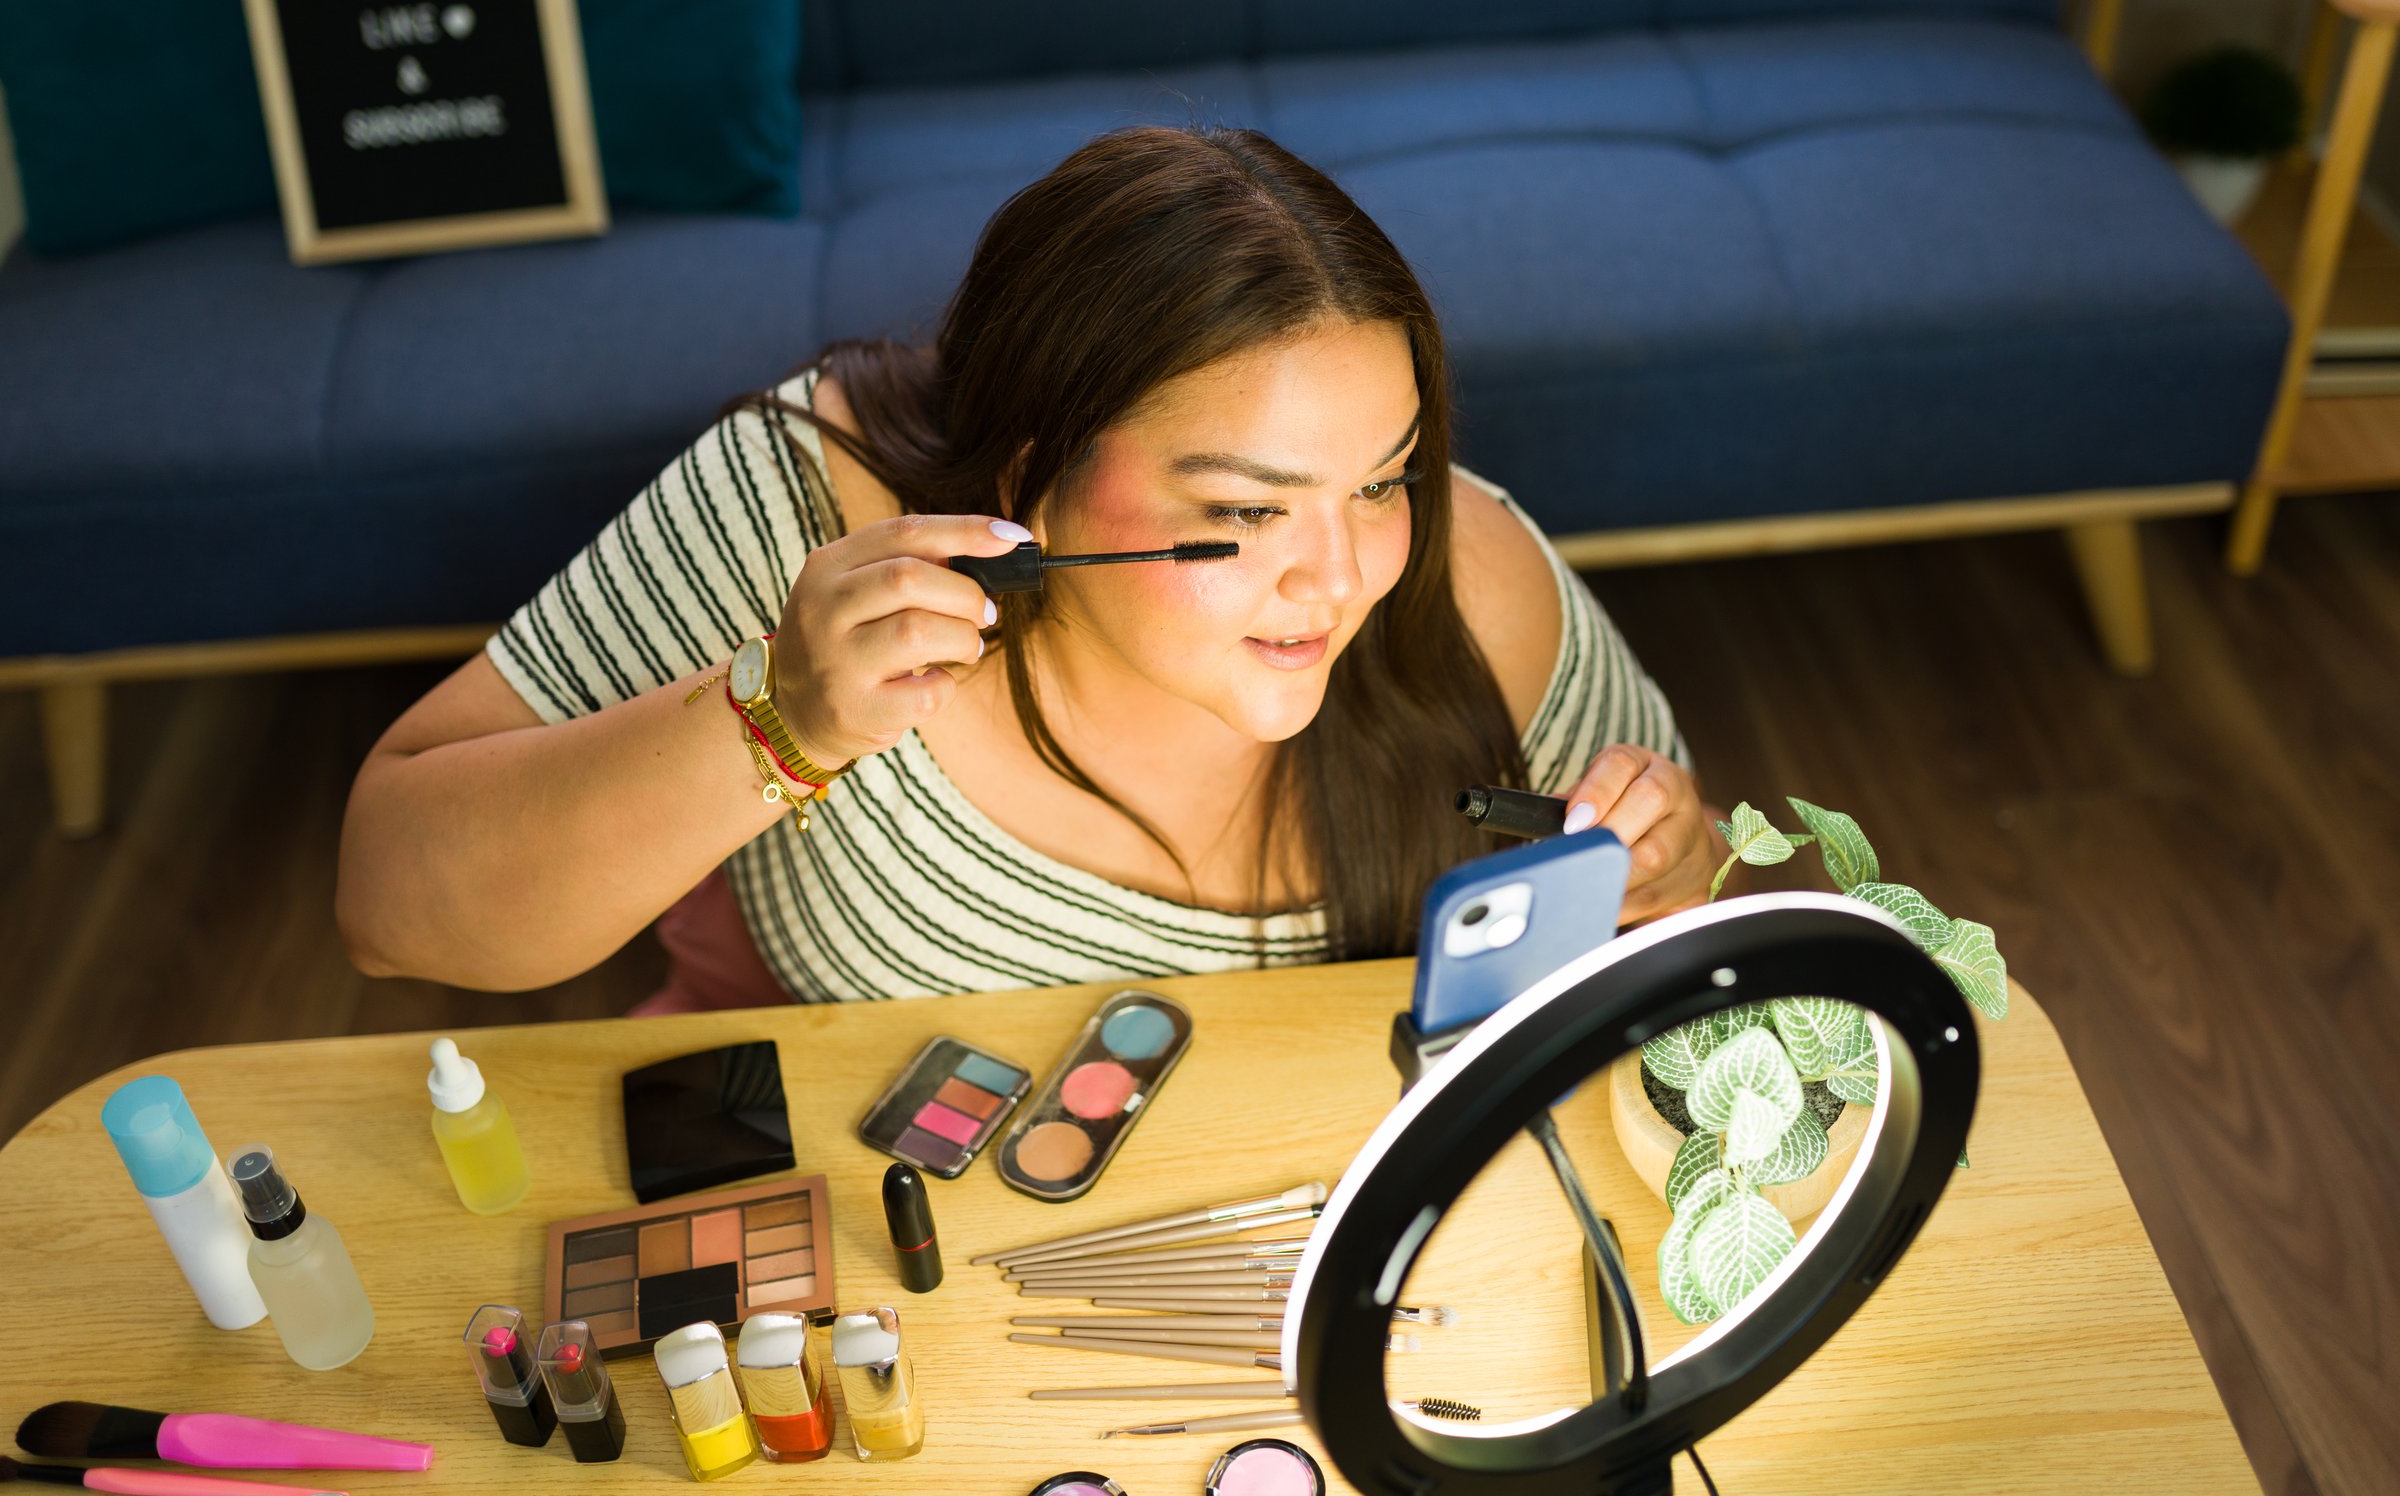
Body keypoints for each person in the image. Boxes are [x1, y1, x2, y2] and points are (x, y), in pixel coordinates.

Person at [337, 125, 1719, 1008]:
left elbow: (1743, 948)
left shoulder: (1468, 569)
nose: (1339, 579)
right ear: (1027, 475)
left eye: (1385, 479)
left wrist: (1675, 874)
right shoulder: (814, 501)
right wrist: (779, 719)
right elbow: (389, 912)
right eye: (1244, 513)